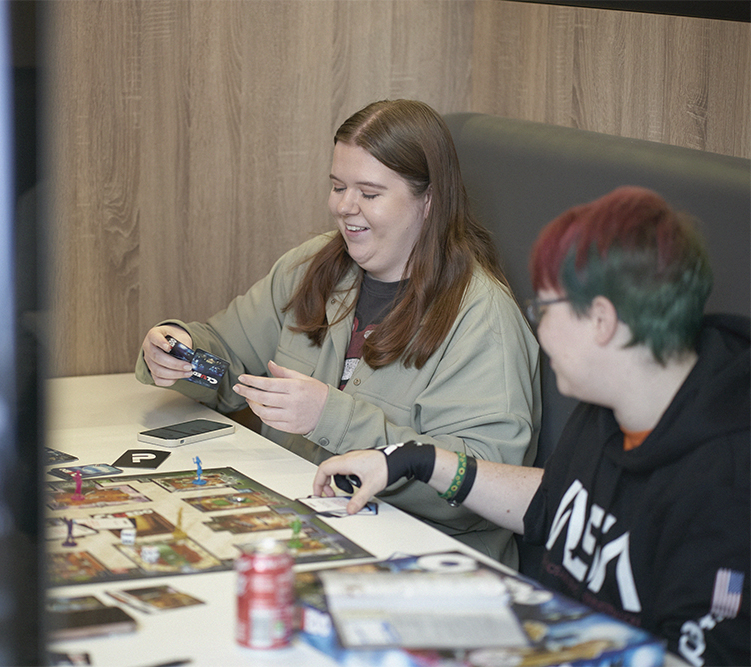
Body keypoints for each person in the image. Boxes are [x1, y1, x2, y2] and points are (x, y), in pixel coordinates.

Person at [313, 186, 750, 666]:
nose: (538, 330)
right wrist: (415, 459)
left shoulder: (725, 483)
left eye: (543, 309)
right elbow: (556, 500)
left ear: (601, 320)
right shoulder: (612, 399)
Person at [137, 99, 541, 568]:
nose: (345, 207)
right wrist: (179, 351)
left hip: (421, 565)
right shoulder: (313, 267)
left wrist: (329, 416)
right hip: (304, 531)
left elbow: (482, 488)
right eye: (337, 186)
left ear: (429, 202)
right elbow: (227, 364)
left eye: (369, 193)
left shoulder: (482, 318)